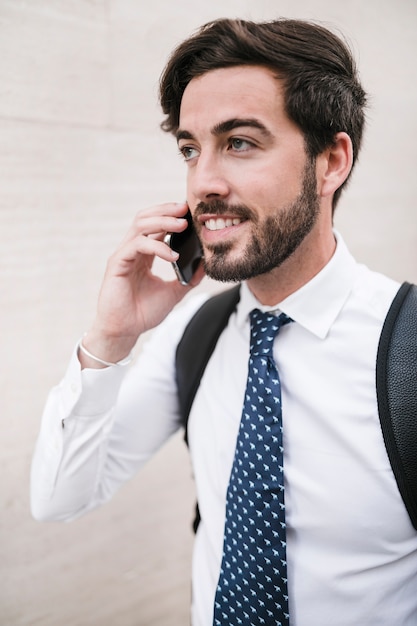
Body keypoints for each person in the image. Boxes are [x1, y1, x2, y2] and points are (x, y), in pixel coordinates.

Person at [31, 18, 417, 626]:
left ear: (331, 162)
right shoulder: (197, 333)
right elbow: (59, 498)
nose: (203, 183)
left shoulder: (408, 351)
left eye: (239, 142)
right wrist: (112, 338)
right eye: (191, 148)